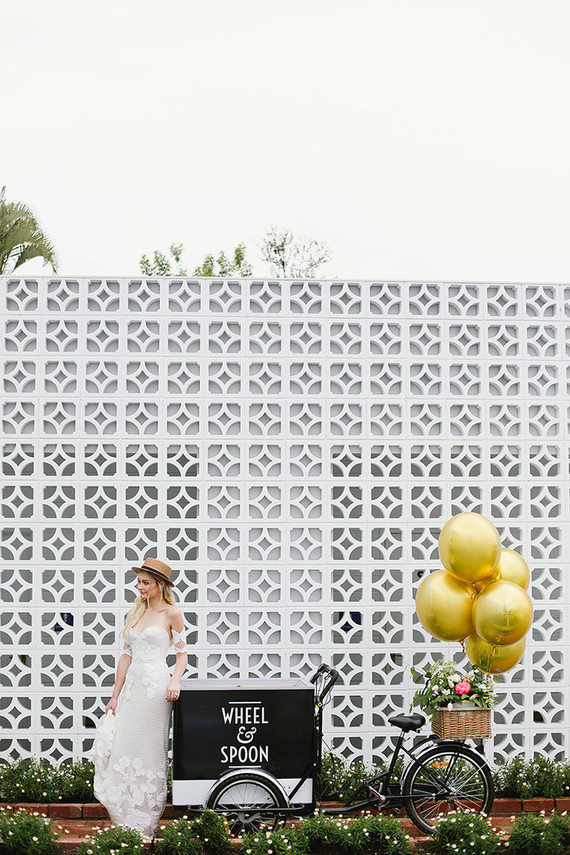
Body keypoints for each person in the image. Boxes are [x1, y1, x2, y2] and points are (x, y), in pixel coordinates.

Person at [92, 557, 188, 839]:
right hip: (133, 690)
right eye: (139, 582)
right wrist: (114, 696)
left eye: (145, 582)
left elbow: (182, 653)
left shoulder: (172, 613)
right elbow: (125, 656)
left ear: (160, 584)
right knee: (123, 746)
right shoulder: (134, 613)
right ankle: (124, 819)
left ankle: (146, 823)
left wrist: (174, 680)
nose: (140, 587)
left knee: (150, 751)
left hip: (156, 689)